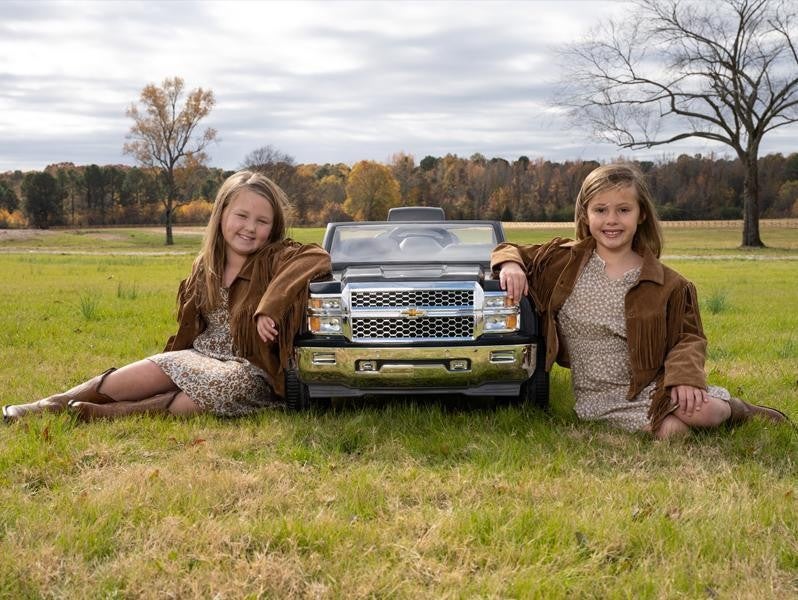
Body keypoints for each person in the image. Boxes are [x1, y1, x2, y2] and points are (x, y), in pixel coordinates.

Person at [3, 170, 331, 422]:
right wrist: (171, 363)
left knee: (219, 389)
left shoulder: (275, 257)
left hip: (249, 370)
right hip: (198, 356)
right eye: (241, 216)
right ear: (222, 216)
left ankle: (109, 414)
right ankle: (48, 405)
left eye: (262, 221)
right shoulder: (205, 267)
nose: (249, 227)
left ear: (272, 228)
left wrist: (269, 308)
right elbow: (189, 334)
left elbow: (317, 258)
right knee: (141, 373)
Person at [492, 163, 789, 439]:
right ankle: (692, 412)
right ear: (585, 214)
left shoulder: (668, 283)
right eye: (600, 210)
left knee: (704, 411)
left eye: (623, 209)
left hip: (653, 383)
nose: (611, 220)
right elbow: (509, 248)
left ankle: (740, 410)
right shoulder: (562, 261)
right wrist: (511, 266)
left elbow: (688, 338)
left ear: (641, 214)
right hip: (597, 393)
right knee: (674, 432)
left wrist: (684, 377)